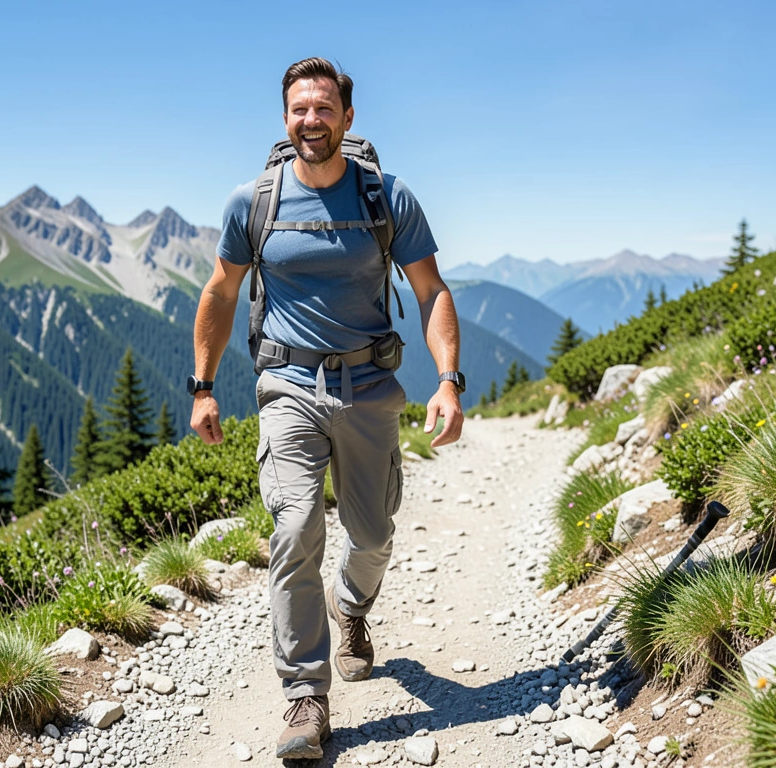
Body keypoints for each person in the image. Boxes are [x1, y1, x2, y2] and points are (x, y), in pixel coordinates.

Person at [187, 57, 464, 760]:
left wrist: (449, 379)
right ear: (286, 120)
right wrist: (204, 385)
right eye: (298, 109)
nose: (311, 120)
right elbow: (221, 293)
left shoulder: (386, 198)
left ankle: (351, 606)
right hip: (287, 390)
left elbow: (431, 291)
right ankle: (305, 699)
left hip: (370, 389)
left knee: (372, 536)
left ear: (346, 116)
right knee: (297, 524)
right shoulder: (253, 202)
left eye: (323, 108)